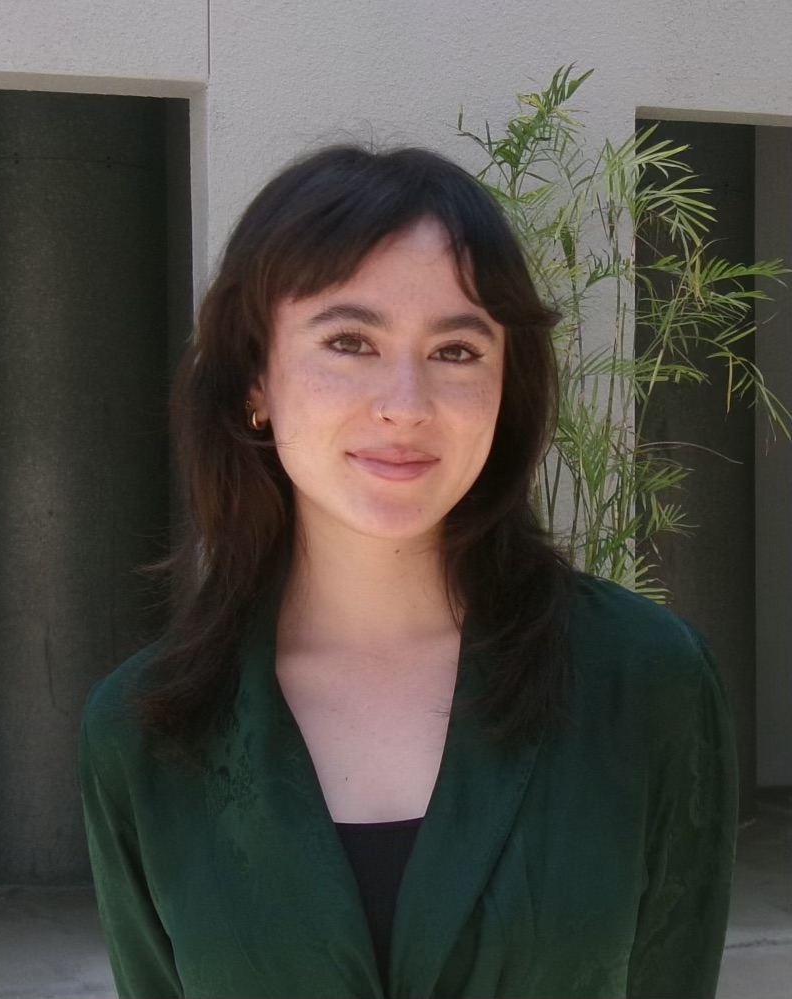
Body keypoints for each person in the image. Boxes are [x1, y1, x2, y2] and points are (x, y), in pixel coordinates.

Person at [79, 145, 738, 999]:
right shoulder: (144, 733)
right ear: (256, 379)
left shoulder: (645, 679)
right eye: (350, 341)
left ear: (507, 388)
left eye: (456, 351)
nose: (405, 403)